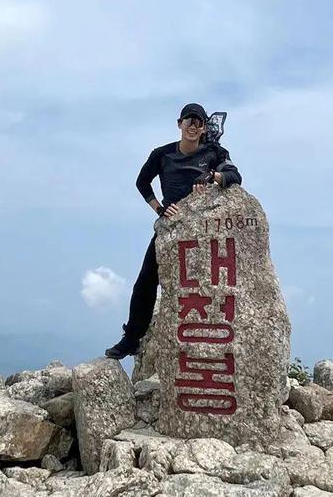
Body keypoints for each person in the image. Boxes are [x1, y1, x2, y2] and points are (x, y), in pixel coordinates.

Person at [104, 102, 243, 360]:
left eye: (198, 122)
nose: (193, 126)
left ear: (204, 128)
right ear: (179, 124)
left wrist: (212, 176)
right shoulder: (162, 154)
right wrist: (158, 209)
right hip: (172, 229)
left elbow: (234, 175)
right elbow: (142, 181)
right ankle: (132, 339)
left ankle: (217, 347)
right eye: (188, 120)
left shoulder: (214, 152)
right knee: (146, 281)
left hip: (204, 230)